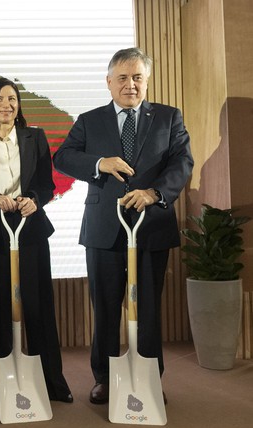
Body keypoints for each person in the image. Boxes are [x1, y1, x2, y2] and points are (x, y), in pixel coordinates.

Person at [53, 47, 193, 404]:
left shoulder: (168, 117)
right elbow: (63, 157)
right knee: (105, 306)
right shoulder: (89, 119)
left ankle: (147, 376)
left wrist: (154, 192)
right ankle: (103, 377)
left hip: (152, 226)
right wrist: (99, 162)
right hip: (104, 228)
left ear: (146, 81)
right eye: (123, 78)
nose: (130, 85)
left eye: (137, 77)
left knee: (147, 307)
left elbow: (182, 162)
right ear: (109, 82)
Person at [0, 78, 73, 403]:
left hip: (30, 229)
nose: (6, 105)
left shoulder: (35, 137)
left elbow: (46, 185)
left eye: (12, 99)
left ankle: (53, 384)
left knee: (39, 306)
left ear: (18, 105)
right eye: (0, 99)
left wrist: (34, 200)